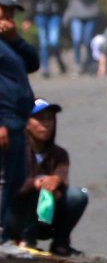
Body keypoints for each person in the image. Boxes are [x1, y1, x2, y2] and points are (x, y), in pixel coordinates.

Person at [5, 99, 88, 255]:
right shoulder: (15, 150)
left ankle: (60, 243)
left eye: (49, 119)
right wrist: (36, 183)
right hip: (14, 216)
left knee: (78, 195)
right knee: (36, 188)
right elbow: (11, 185)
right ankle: (24, 240)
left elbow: (62, 177)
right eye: (40, 119)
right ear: (27, 123)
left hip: (45, 217)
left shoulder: (60, 154)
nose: (46, 124)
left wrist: (56, 181)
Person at [0, 0, 39, 244]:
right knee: (2, 182)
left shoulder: (9, 43)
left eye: (12, 13)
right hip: (4, 121)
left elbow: (33, 63)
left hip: (17, 121)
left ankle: (4, 235)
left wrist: (15, 39)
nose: (9, 18)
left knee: (13, 182)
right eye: (4, 11)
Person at [30, 0, 69, 77]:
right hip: (41, 15)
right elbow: (34, 0)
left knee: (53, 41)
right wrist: (28, 18)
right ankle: (45, 67)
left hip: (55, 15)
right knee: (43, 43)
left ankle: (58, 59)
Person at [63, 0, 101, 74]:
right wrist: (66, 15)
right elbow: (72, 1)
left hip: (90, 15)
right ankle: (77, 63)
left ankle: (89, 61)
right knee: (77, 39)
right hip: (76, 15)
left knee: (87, 40)